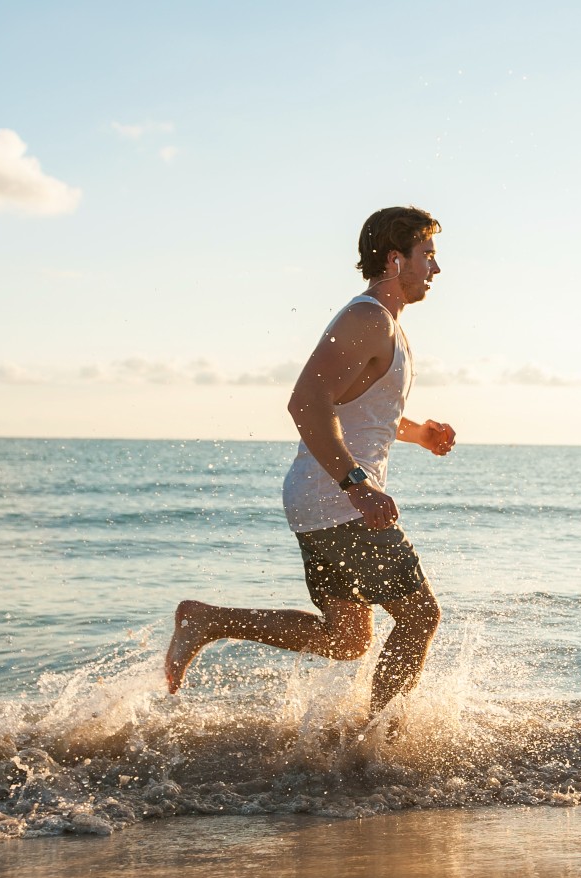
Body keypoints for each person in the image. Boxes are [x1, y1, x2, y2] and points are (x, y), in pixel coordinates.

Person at [163, 206, 455, 719]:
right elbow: (306, 401)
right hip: (338, 498)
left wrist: (420, 434)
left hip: (322, 500)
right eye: (426, 255)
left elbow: (363, 410)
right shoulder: (368, 317)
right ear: (394, 260)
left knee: (346, 640)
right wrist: (356, 484)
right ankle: (377, 741)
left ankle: (208, 620)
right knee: (419, 617)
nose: (435, 268)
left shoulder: (386, 325)